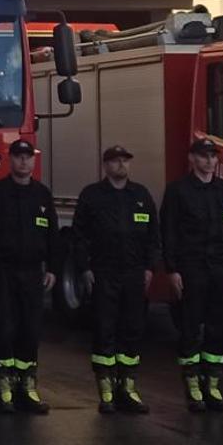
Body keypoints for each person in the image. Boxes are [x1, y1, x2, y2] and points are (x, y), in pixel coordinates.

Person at [72, 145, 161, 415]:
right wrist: (85, 268)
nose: (121, 165)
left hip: (134, 273)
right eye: (115, 161)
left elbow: (153, 236)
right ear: (105, 165)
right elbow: (79, 236)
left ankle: (128, 387)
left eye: (125, 160)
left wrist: (150, 267)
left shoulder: (141, 195)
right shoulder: (92, 196)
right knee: (104, 329)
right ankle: (106, 389)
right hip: (104, 272)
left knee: (132, 329)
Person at [0, 139, 59, 415]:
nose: (24, 161)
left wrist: (53, 268)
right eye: (19, 156)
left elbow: (53, 235)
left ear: (33, 160)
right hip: (3, 271)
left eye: (27, 157)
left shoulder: (42, 195)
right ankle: (4, 387)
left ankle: (27, 387)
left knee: (30, 330)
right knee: (4, 329)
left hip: (32, 272)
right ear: (10, 159)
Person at [161, 137, 223, 413]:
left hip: (221, 269)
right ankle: (193, 387)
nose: (209, 161)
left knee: (220, 327)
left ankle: (213, 386)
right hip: (192, 268)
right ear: (192, 159)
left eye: (213, 156)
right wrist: (172, 269)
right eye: (204, 156)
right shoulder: (178, 191)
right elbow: (169, 232)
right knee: (191, 327)